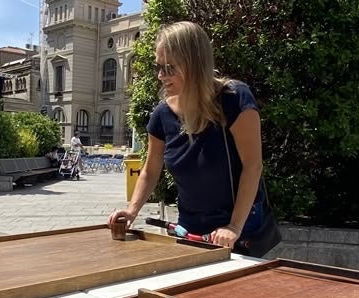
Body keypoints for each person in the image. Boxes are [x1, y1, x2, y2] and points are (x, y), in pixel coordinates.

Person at [107, 21, 266, 250]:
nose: (161, 75)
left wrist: (234, 226)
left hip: (239, 231)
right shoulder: (162, 115)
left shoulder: (234, 99)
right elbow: (151, 171)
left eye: (169, 68)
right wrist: (132, 210)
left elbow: (253, 166)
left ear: (195, 64)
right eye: (158, 67)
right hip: (189, 230)